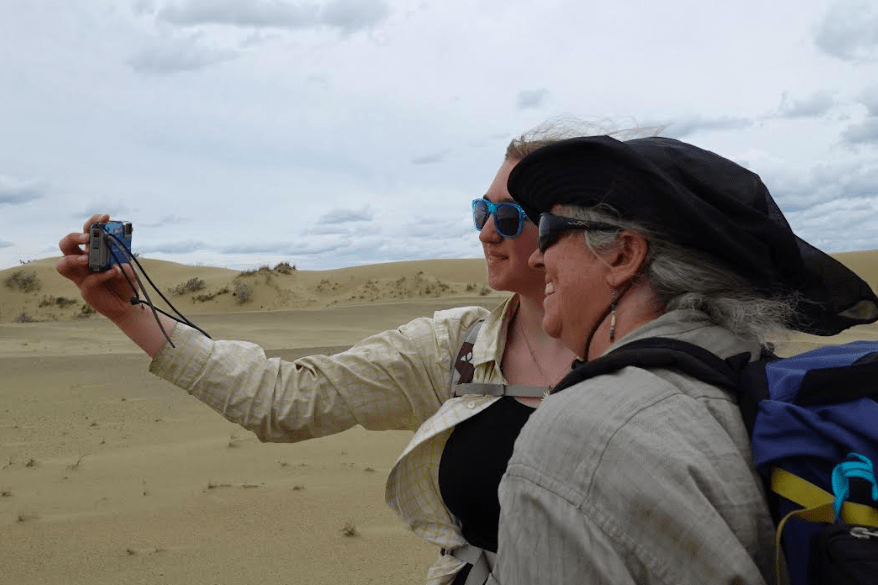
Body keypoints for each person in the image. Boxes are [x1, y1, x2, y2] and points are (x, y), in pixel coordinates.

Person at [56, 142, 579, 585]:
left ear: (579, 230)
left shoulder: (649, 359)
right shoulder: (459, 348)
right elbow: (285, 400)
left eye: (508, 217)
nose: (486, 233)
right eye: (480, 212)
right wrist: (128, 312)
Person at [489, 135, 878, 584]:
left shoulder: (579, 433)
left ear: (622, 254)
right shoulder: (754, 374)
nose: (537, 257)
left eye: (551, 231)